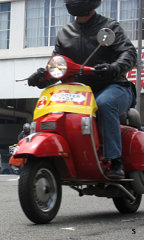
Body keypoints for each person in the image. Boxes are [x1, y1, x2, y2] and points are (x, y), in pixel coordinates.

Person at [27, 0, 137, 179]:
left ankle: (115, 160)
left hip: (114, 85)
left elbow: (129, 53)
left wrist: (114, 67)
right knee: (54, 109)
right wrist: (42, 76)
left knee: (104, 103)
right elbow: (58, 64)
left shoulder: (109, 27)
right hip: (79, 93)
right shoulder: (65, 33)